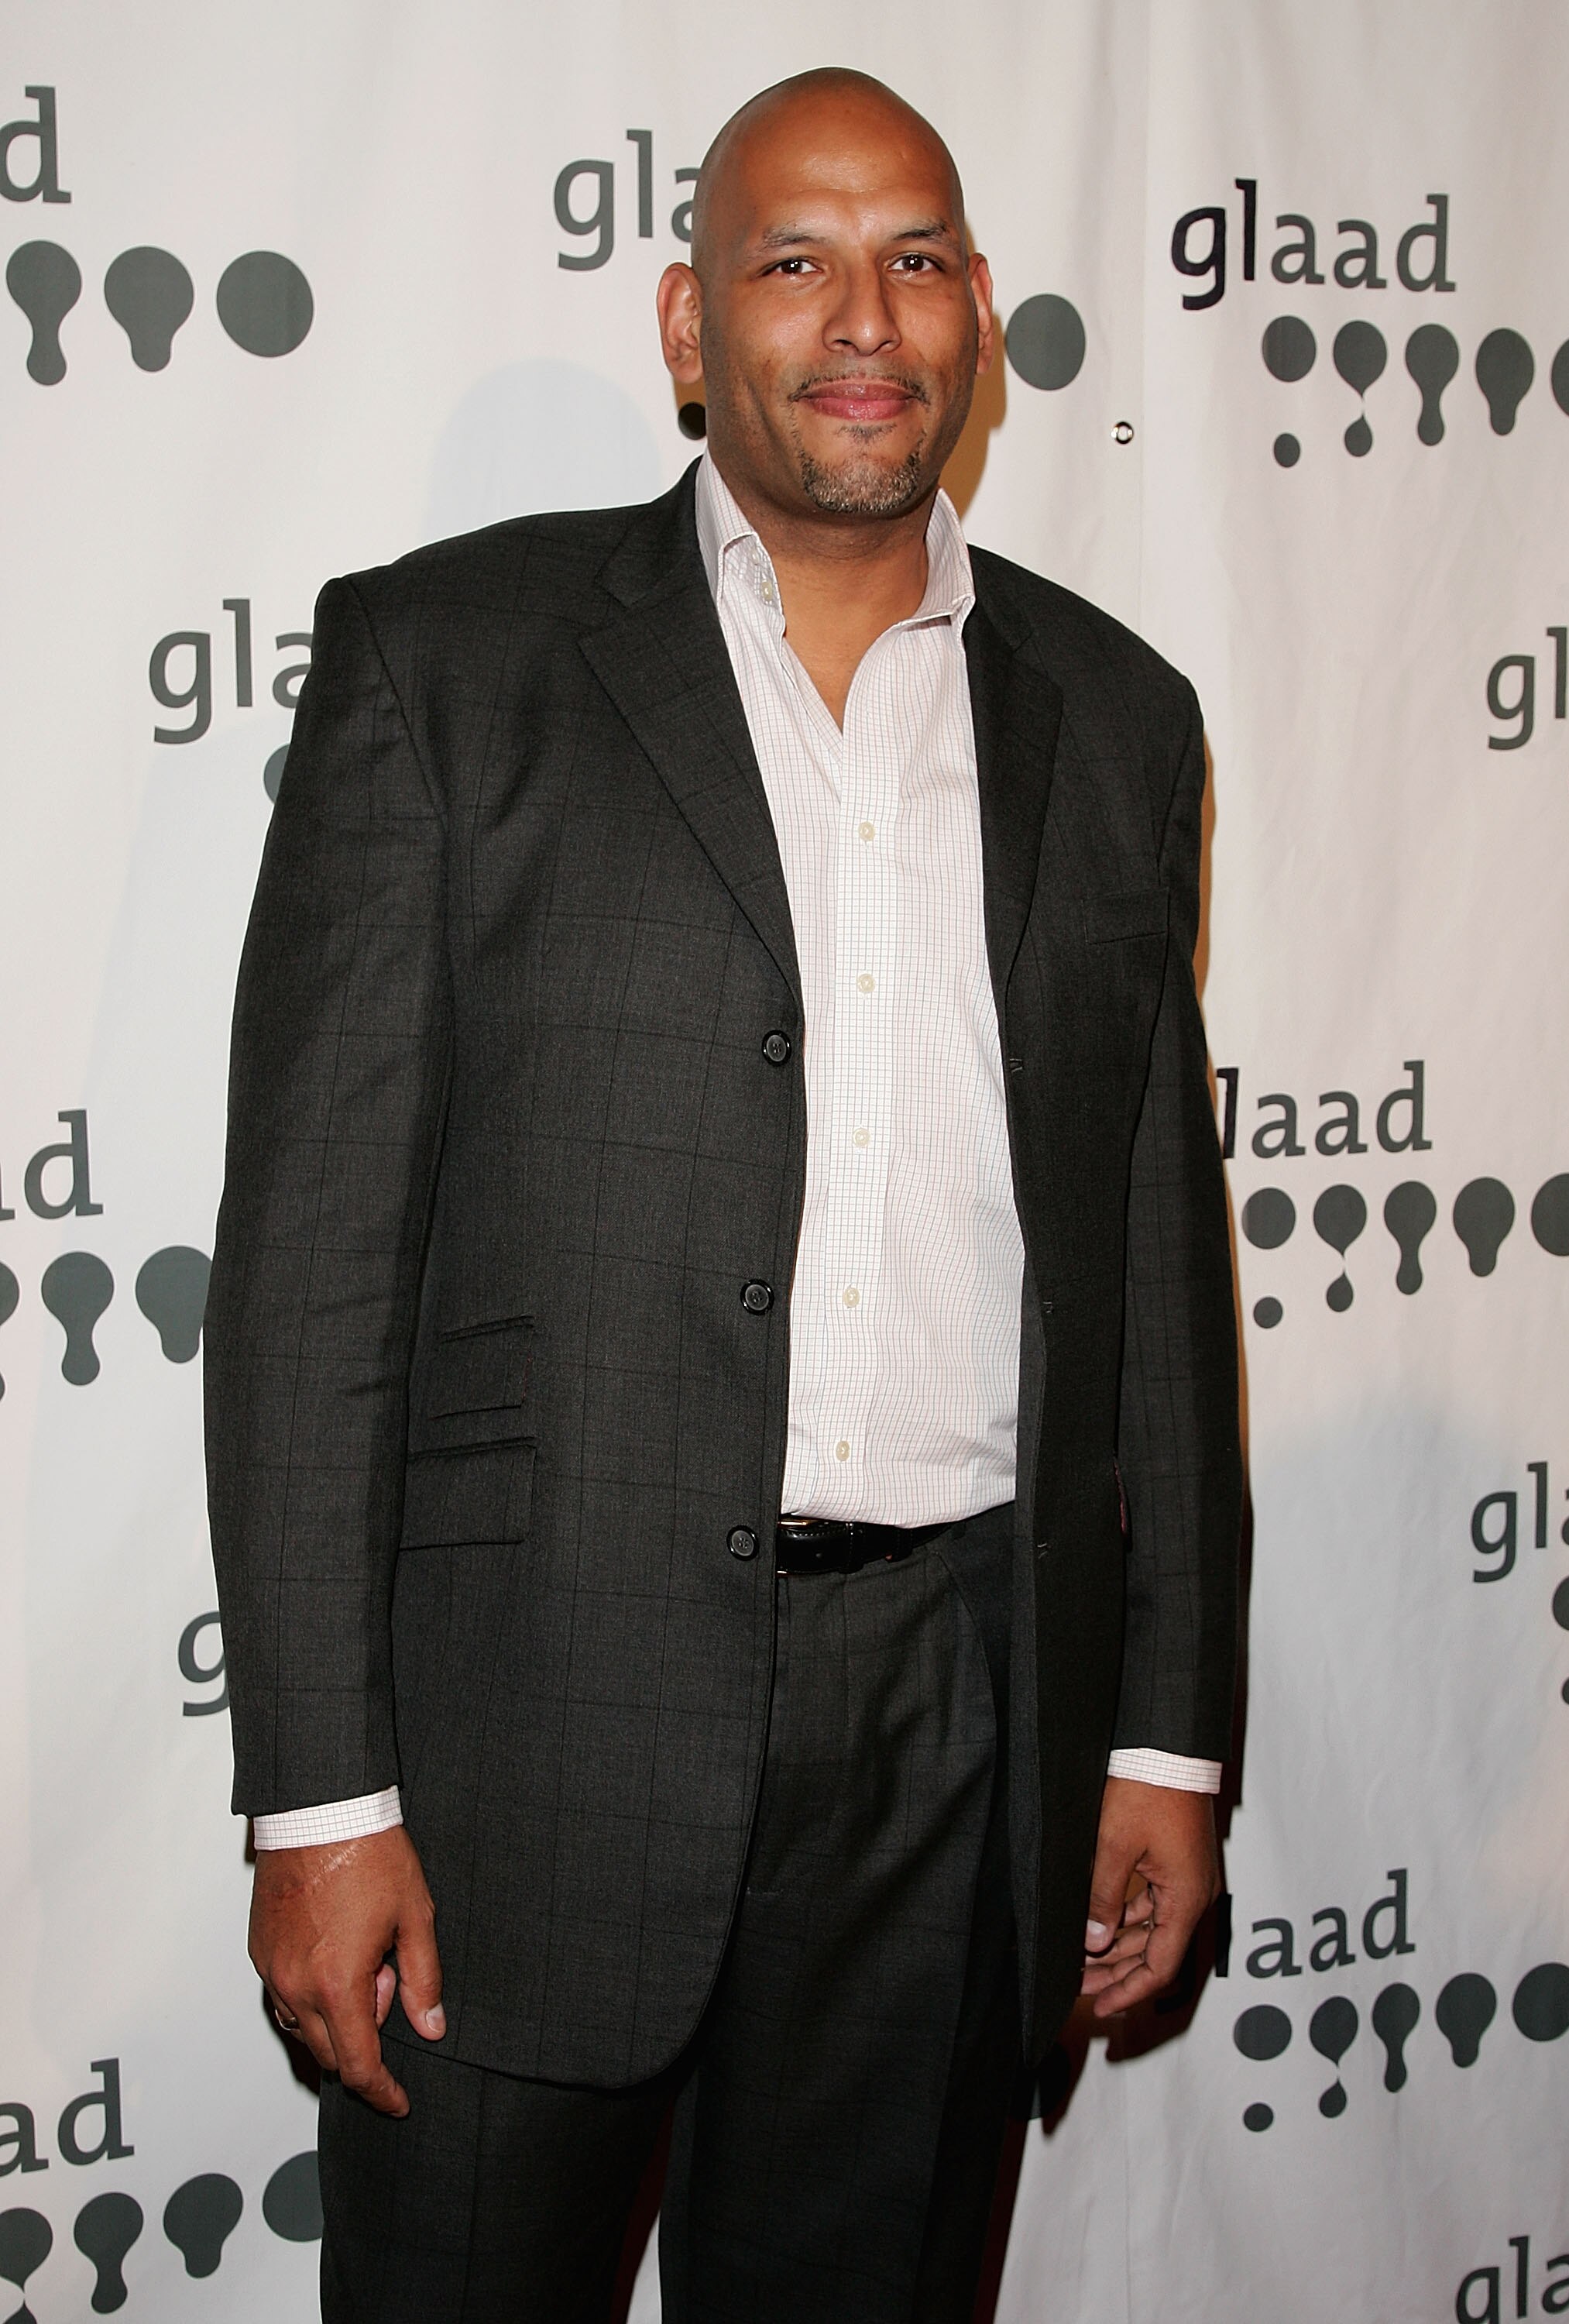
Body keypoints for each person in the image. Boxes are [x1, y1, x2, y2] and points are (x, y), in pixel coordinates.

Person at [204, 65, 1241, 2324]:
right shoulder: (444, 670)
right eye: (791, 260)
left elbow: (1156, 1279)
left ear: (977, 317)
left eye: (915, 258)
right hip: (522, 1737)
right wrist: (314, 1803)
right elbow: (304, 1290)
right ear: (689, 328)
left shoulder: (1117, 717)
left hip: (959, 1738)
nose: (857, 317)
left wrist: (1158, 1735)